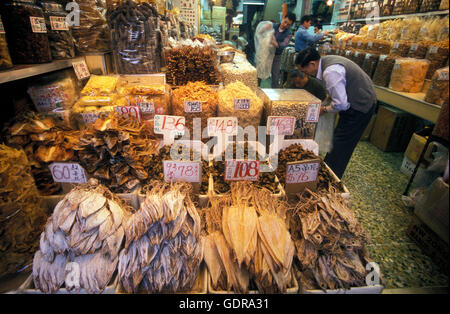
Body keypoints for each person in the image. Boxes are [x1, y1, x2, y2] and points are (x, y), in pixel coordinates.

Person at [295, 47, 377, 179]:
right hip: (353, 101)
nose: (304, 74)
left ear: (312, 64)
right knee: (338, 139)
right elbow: (335, 92)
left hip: (360, 105)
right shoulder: (325, 63)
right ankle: (327, 169)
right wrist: (326, 101)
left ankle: (331, 178)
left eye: (304, 71)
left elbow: (342, 104)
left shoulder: (330, 71)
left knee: (342, 143)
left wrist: (324, 110)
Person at [271, 12, 296, 88]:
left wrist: (275, 43)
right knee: (260, 73)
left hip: (276, 56)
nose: (285, 25)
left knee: (275, 77)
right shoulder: (273, 26)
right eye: (285, 22)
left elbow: (284, 44)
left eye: (288, 24)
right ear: (283, 18)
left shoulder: (288, 33)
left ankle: (274, 97)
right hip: (266, 54)